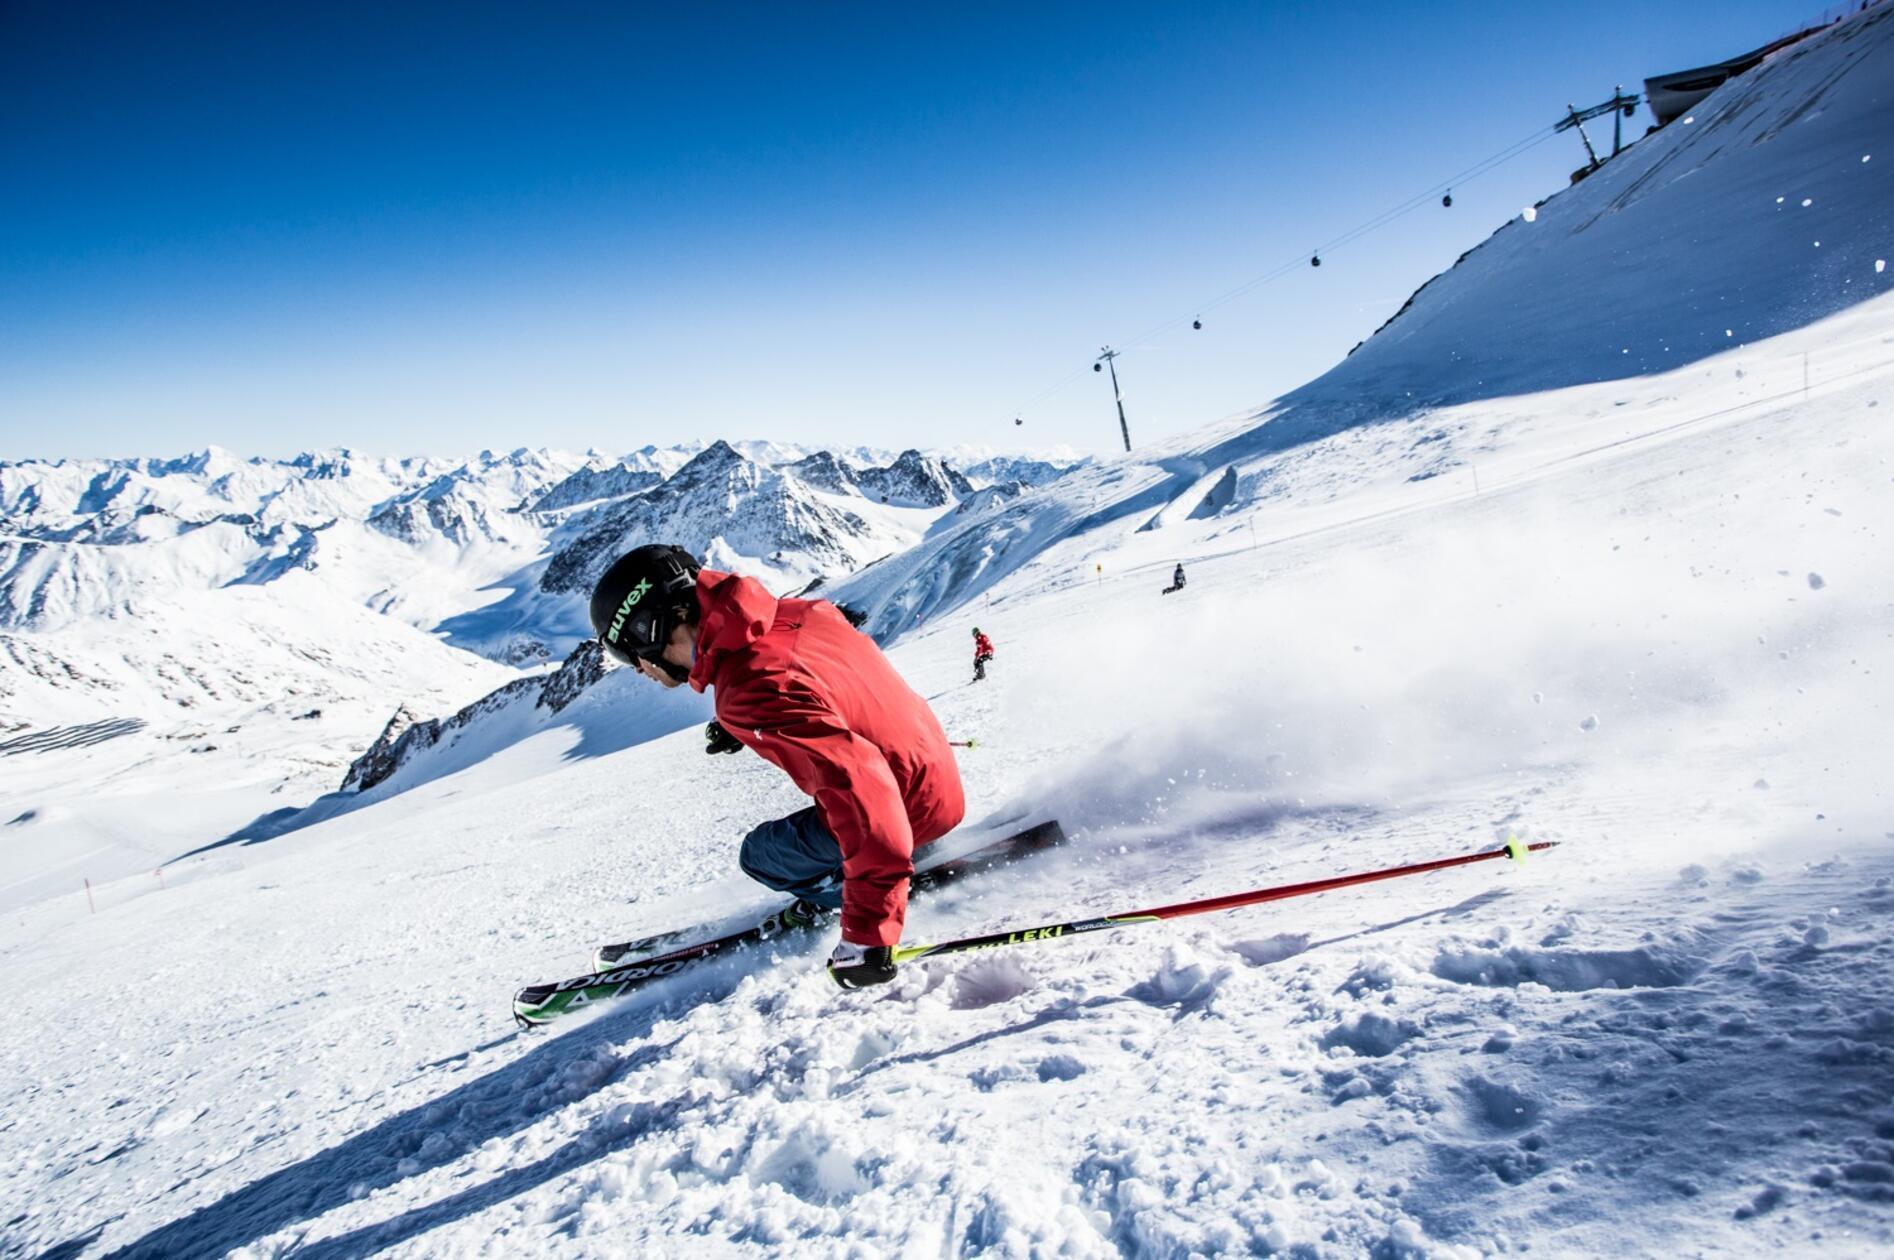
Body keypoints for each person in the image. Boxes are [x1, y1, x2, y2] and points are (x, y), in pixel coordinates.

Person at [589, 544, 965, 989]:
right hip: (936, 778)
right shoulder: (802, 613)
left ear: (646, 628)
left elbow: (863, 789)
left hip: (903, 812)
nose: (635, 668)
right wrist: (743, 718)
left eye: (624, 652)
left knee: (761, 855)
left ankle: (850, 893)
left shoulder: (752, 690)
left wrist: (868, 934)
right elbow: (809, 674)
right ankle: (881, 865)